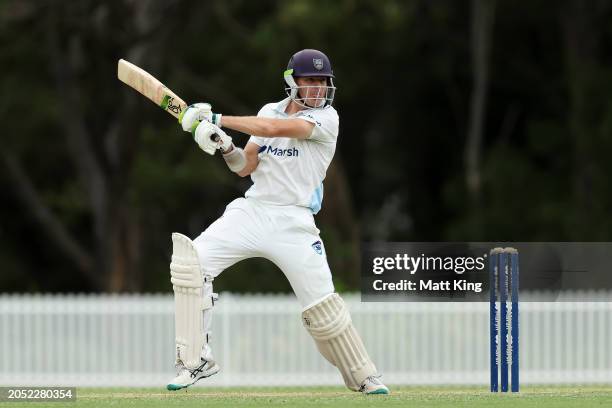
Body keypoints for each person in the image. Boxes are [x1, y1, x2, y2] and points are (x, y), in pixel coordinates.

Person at [166, 49, 389, 395]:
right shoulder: (269, 110)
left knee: (324, 309)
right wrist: (224, 146)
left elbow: (276, 128)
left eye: (322, 82)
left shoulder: (327, 118)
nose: (316, 88)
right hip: (253, 210)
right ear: (292, 83)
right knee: (190, 264)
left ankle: (362, 375)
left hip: (295, 221)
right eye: (309, 81)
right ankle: (195, 361)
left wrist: (218, 118)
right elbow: (245, 167)